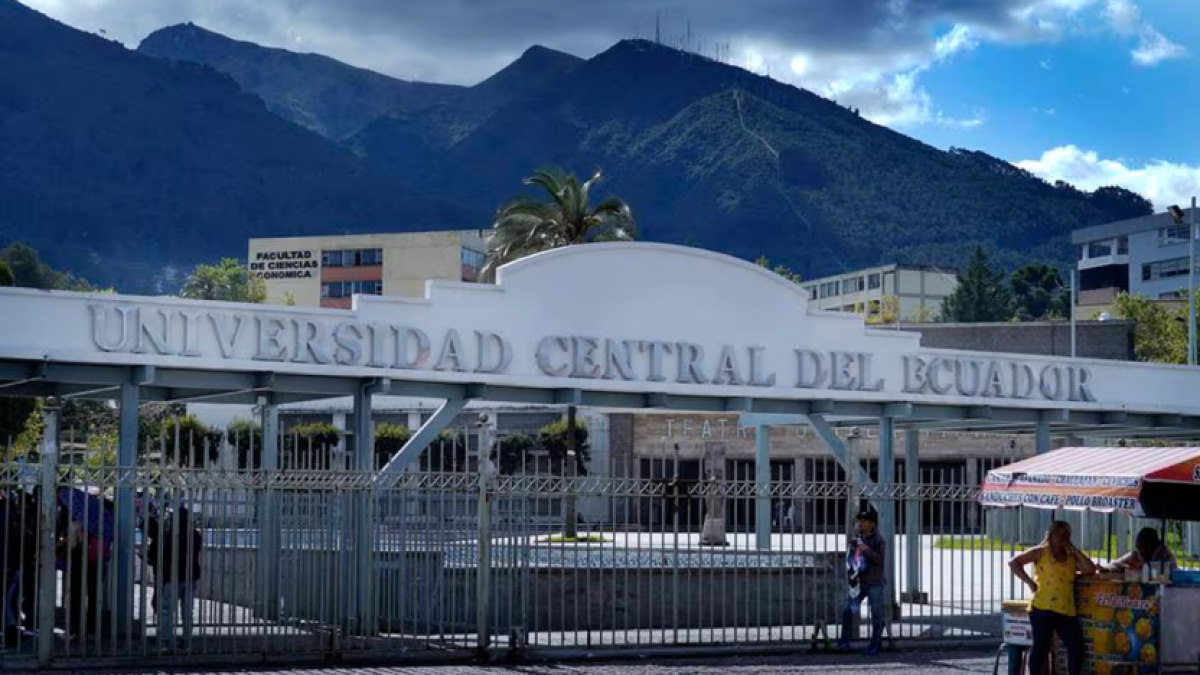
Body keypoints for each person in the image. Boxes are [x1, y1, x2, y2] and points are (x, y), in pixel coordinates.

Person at [1009, 521, 1097, 675]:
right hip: (1042, 608)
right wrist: (1029, 582)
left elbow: (1090, 569)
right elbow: (1014, 562)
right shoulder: (1040, 552)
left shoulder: (1071, 557)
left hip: (1066, 610)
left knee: (1075, 645)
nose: (1064, 537)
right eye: (1060, 533)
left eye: (1067, 534)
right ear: (1051, 534)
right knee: (1041, 646)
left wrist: (1074, 549)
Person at [148, 508, 202, 652]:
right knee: (187, 611)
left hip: (172, 578)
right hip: (190, 577)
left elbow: (158, 556)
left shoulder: (168, 536)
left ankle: (165, 642)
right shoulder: (196, 536)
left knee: (166, 610)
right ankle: (186, 642)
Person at [837, 509, 886, 655]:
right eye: (860, 521)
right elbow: (851, 558)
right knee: (847, 611)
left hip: (875, 583)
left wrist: (866, 549)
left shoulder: (878, 540)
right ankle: (844, 641)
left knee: (876, 614)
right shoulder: (857, 539)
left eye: (864, 522)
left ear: (872, 524)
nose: (861, 524)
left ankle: (875, 644)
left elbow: (880, 560)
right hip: (858, 583)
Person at [1103, 527, 1177, 573]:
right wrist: (1108, 568)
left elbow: (1159, 571)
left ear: (1151, 544)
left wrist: (1139, 567)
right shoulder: (1137, 554)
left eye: (1142, 547)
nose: (1140, 551)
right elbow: (1116, 563)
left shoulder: (1164, 554)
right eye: (1138, 547)